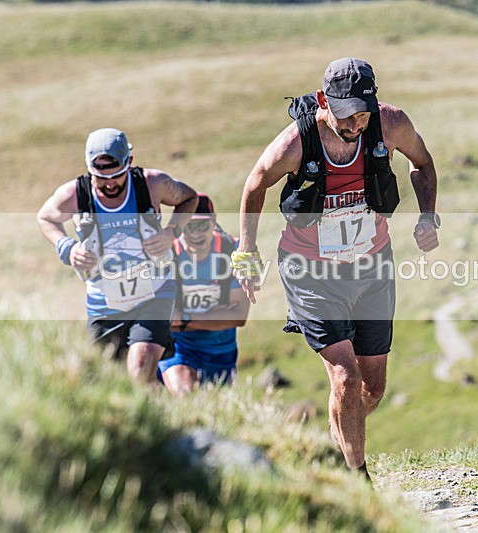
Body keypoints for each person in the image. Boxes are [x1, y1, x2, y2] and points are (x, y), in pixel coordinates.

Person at [232, 58, 439, 479]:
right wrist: (246, 251)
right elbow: (255, 184)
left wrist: (426, 216)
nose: (356, 124)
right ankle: (356, 480)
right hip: (312, 273)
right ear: (324, 102)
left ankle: (337, 444)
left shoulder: (391, 124)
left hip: (372, 268)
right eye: (347, 115)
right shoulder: (296, 142)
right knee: (344, 377)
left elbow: (423, 164)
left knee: (371, 387)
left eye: (363, 113)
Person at [37, 128, 198, 382]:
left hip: (154, 293)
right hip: (104, 302)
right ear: (89, 168)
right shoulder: (75, 194)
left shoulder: (152, 184)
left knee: (140, 366)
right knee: (104, 380)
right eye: (101, 178)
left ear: (129, 163)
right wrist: (67, 247)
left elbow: (189, 198)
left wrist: (171, 232)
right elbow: (45, 217)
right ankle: (169, 416)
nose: (110, 183)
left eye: (117, 175)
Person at [157, 193, 250, 394]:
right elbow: (162, 318)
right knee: (185, 396)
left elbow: (239, 316)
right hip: (178, 348)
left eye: (202, 225)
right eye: (188, 226)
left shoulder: (234, 251)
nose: (196, 233)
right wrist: (218, 316)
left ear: (214, 221)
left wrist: (184, 320)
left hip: (221, 351)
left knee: (216, 412)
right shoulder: (166, 255)